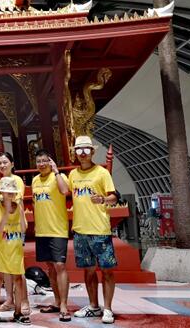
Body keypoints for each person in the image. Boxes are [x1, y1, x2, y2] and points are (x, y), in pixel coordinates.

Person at [68, 136, 118, 324]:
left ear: (92, 152)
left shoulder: (102, 173)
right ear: (75, 153)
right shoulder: (72, 175)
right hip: (80, 230)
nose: (82, 153)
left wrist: (103, 199)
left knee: (107, 270)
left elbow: (114, 197)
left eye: (86, 149)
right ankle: (93, 306)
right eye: (79, 150)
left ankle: (108, 309)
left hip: (100, 230)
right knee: (88, 271)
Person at [31, 149, 71, 322]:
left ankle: (64, 305)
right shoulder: (35, 180)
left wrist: (56, 172)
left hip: (58, 230)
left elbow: (65, 191)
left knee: (60, 265)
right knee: (50, 268)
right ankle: (56, 301)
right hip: (42, 231)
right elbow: (35, 203)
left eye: (44, 161)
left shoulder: (59, 177)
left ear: (50, 162)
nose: (41, 164)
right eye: (38, 161)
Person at [0, 177, 30, 325]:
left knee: (18, 280)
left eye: (12, 191)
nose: (10, 194)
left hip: (15, 249)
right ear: (1, 192)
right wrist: (6, 212)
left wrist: (21, 211)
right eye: (6, 191)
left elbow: (23, 228)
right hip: (0, 249)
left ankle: (18, 312)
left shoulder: (18, 207)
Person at [0, 152, 28, 314]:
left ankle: (24, 300)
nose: (2, 165)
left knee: (18, 267)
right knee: (5, 266)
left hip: (15, 226)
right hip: (3, 227)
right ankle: (9, 299)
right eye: (0, 163)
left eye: (5, 162)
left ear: (12, 164)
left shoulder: (17, 180)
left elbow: (15, 200)